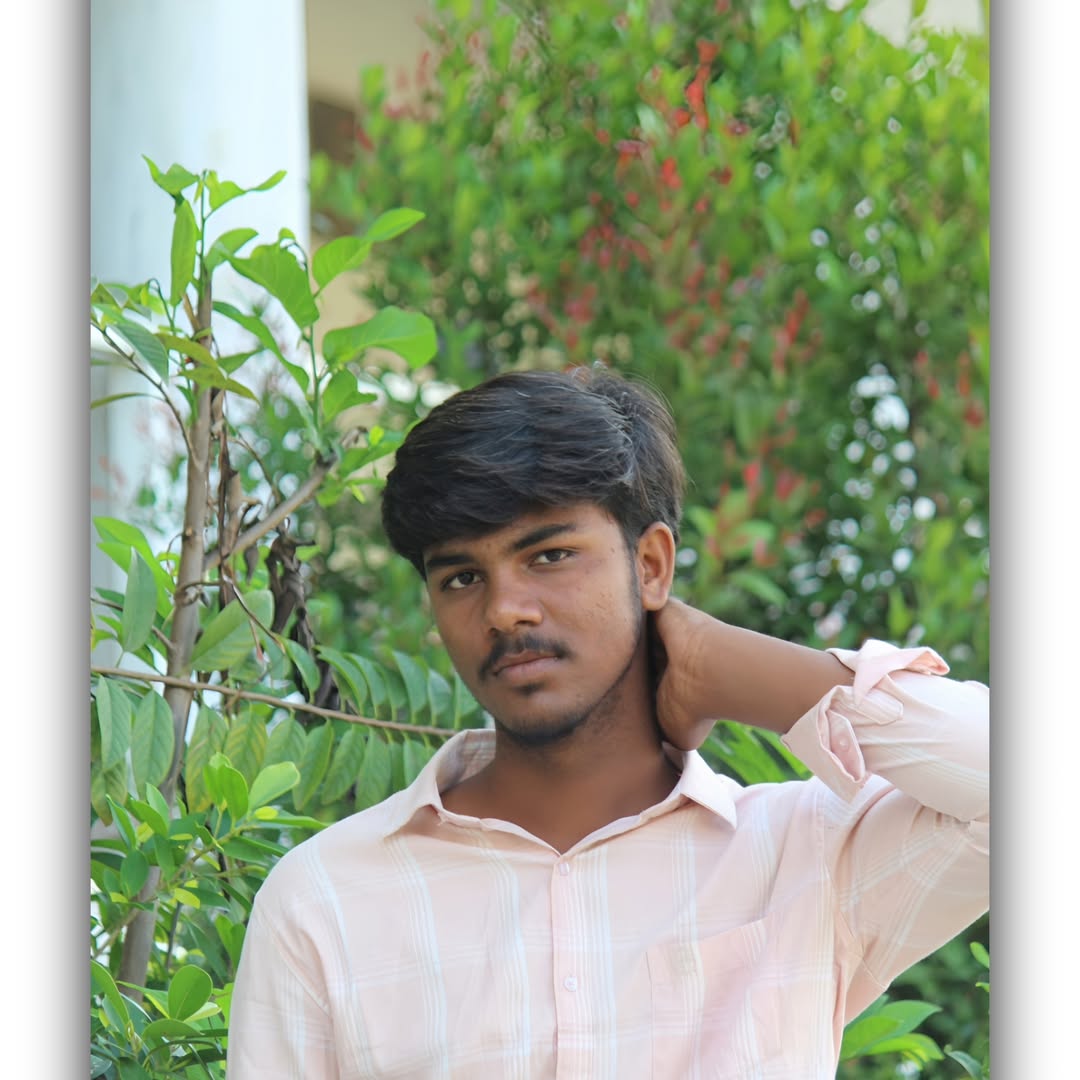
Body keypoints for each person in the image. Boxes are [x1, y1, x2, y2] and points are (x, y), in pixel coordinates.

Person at [226, 366, 989, 1079]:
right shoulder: (326, 900)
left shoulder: (805, 856)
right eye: (461, 577)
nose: (504, 610)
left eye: (550, 556)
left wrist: (730, 667)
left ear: (650, 566)